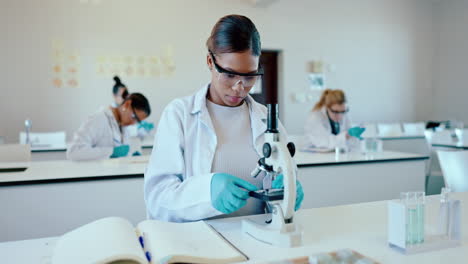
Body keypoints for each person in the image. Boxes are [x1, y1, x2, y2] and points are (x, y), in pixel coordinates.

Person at [144, 15, 304, 222]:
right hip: (200, 244)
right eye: (229, 74)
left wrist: (289, 189)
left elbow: (286, 173)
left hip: (260, 238)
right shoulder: (179, 114)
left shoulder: (266, 118)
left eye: (249, 76)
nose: (240, 87)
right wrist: (206, 192)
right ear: (210, 61)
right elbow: (157, 198)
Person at [67, 93, 151, 161]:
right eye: (134, 117)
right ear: (127, 104)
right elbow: (74, 152)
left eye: (137, 121)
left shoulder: (123, 127)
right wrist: (111, 152)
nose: (133, 123)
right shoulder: (99, 119)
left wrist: (130, 156)